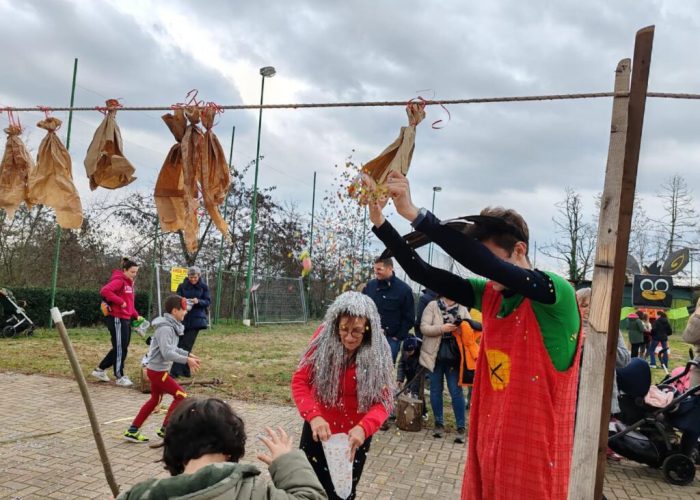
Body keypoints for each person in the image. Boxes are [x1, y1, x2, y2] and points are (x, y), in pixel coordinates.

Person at [364, 171, 581, 500]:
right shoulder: (491, 295)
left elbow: (483, 265)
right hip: (490, 440)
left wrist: (415, 214)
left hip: (534, 455)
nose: (483, 272)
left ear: (519, 248)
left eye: (489, 258)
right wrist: (380, 220)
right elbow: (422, 271)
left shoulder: (555, 295)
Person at [291, 291, 395, 500]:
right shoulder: (321, 342)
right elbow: (299, 381)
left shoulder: (378, 352)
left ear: (368, 328)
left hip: (354, 438)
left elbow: (384, 401)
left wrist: (364, 428)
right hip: (317, 431)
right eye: (344, 329)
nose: (349, 337)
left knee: (342, 492)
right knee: (307, 490)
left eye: (356, 331)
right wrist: (314, 416)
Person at [116, 397, 326, 499]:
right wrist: (286, 462)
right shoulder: (256, 493)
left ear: (173, 450)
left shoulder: (141, 496)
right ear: (232, 448)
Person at [123, 295, 201, 443]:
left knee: (154, 400)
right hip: (157, 372)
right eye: (183, 310)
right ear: (174, 311)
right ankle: (166, 429)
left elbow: (172, 348)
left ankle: (132, 431)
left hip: (158, 370)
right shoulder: (166, 328)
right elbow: (167, 353)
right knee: (181, 396)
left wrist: (188, 354)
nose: (186, 312)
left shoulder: (171, 326)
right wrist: (187, 360)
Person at [576, 287, 630, 461]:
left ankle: (601, 450)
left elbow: (624, 359)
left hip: (601, 390)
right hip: (573, 392)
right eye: (581, 305)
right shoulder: (567, 325)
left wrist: (599, 343)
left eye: (590, 305)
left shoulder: (610, 329)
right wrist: (578, 345)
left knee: (596, 433)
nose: (586, 310)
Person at [420, 296, 473, 443]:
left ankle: (461, 427)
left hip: (454, 358)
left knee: (456, 392)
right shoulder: (432, 305)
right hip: (434, 356)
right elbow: (423, 327)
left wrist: (461, 329)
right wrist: (441, 329)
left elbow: (470, 329)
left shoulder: (462, 307)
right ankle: (438, 424)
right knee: (436, 390)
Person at [92, 257, 141, 387]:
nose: (134, 274)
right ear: (124, 270)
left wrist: (136, 316)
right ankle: (119, 376)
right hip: (116, 318)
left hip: (126, 318)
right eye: (132, 272)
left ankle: (100, 370)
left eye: (136, 272)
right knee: (120, 348)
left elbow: (130, 303)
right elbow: (105, 291)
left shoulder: (129, 283)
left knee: (121, 347)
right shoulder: (119, 281)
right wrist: (121, 302)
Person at [362, 256, 415, 363]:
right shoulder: (370, 286)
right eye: (375, 269)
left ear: (390, 268)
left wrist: (398, 336)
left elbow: (409, 317)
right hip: (369, 336)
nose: (376, 272)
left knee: (386, 371)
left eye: (379, 269)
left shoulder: (404, 290)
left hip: (390, 339)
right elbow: (362, 309)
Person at [171, 266, 210, 378]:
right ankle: (186, 371)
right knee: (180, 344)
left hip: (197, 320)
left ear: (199, 276)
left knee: (186, 344)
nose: (193, 279)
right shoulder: (182, 286)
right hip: (183, 318)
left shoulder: (204, 287)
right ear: (187, 276)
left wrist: (198, 301)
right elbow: (176, 299)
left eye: (195, 277)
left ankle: (175, 371)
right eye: (191, 277)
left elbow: (207, 301)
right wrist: (183, 301)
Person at [396, 335, 427, 420]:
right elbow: (401, 364)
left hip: (420, 371)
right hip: (409, 369)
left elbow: (417, 376)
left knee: (416, 391)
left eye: (410, 352)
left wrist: (413, 387)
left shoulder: (422, 350)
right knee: (406, 390)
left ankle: (422, 412)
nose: (407, 353)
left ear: (415, 348)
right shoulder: (405, 347)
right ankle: (403, 411)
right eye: (406, 352)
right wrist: (400, 379)